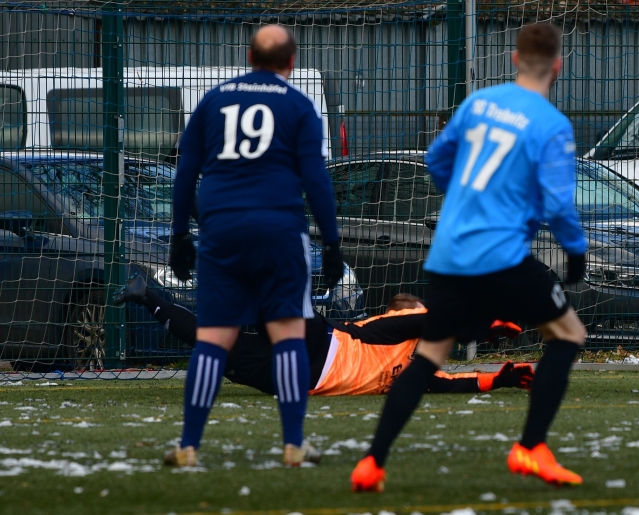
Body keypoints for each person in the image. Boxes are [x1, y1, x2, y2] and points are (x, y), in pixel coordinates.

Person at [350, 22, 589, 492]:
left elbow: (436, 160)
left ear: (514, 59)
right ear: (558, 67)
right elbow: (560, 205)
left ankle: (372, 463)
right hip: (501, 255)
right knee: (569, 334)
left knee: (428, 356)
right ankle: (531, 447)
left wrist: (463, 193)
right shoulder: (551, 125)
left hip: (451, 253)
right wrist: (576, 253)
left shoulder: (479, 104)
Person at [167, 25, 344, 468]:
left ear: (249, 57)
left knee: (213, 339)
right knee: (287, 335)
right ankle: (293, 444)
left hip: (221, 232)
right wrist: (332, 242)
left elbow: (185, 170)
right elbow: (317, 180)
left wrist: (179, 234)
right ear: (292, 62)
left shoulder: (213, 100)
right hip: (280, 231)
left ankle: (188, 446)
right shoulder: (299, 106)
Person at [114, 276, 534, 396]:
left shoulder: (418, 368)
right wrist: (487, 329)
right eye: (411, 310)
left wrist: (499, 380)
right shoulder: (388, 329)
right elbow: (436, 322)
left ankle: (145, 295)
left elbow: (451, 383)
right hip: (321, 345)